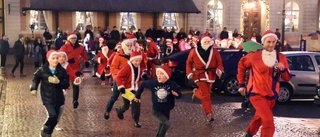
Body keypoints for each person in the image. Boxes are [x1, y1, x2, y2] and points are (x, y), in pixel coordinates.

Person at [237, 30, 292, 137]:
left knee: (259, 118)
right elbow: (241, 65)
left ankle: (248, 134)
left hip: (271, 96)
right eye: (268, 42)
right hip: (256, 94)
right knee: (268, 121)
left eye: (273, 42)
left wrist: (283, 69)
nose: (271, 44)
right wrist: (241, 84)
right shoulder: (254, 56)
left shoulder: (281, 57)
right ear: (263, 42)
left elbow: (287, 78)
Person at [29, 50, 70, 137]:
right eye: (53, 58)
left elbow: (66, 84)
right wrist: (34, 88)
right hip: (47, 97)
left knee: (55, 119)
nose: (55, 60)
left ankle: (47, 133)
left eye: (57, 58)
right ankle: (45, 128)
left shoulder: (62, 71)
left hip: (59, 98)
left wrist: (58, 82)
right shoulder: (42, 70)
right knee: (52, 115)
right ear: (48, 59)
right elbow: (35, 79)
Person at [134, 65, 182, 137]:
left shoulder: (172, 84)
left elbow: (179, 95)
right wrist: (137, 95)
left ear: (166, 76)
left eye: (161, 74)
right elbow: (143, 84)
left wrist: (176, 94)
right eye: (158, 73)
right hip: (156, 110)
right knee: (166, 123)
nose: (159, 76)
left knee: (163, 125)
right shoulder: (154, 84)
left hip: (167, 110)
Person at [186, 36, 224, 122]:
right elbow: (188, 63)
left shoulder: (214, 51)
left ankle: (196, 92)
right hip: (199, 75)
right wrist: (189, 72)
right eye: (205, 41)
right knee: (206, 95)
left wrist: (219, 69)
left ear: (211, 42)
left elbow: (219, 62)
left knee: (205, 94)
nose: (206, 43)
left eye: (208, 41)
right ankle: (209, 114)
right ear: (201, 42)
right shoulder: (194, 51)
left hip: (210, 75)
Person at [104, 39, 133, 120]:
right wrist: (119, 75)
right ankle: (107, 111)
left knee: (127, 102)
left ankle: (120, 110)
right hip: (119, 80)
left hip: (128, 81)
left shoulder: (132, 55)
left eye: (131, 45)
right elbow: (113, 68)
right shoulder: (118, 55)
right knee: (114, 97)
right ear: (124, 46)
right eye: (128, 45)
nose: (129, 47)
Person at [60, 32, 90, 109]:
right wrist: (68, 61)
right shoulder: (64, 47)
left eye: (75, 38)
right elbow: (60, 56)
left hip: (76, 69)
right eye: (72, 38)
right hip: (66, 69)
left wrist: (86, 61)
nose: (73, 40)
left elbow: (83, 54)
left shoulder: (80, 47)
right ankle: (59, 100)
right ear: (69, 39)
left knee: (76, 85)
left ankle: (75, 100)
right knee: (63, 85)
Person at [115, 51, 144, 128]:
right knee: (126, 106)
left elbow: (139, 75)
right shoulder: (127, 67)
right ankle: (120, 110)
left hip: (135, 89)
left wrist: (144, 75)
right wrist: (121, 87)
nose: (137, 63)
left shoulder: (139, 68)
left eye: (139, 61)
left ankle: (136, 121)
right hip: (126, 90)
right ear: (132, 60)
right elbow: (118, 77)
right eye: (136, 61)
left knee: (136, 104)